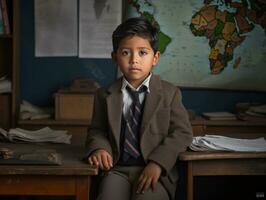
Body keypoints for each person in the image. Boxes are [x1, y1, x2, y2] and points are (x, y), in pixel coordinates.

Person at [86, 17, 193, 200]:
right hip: (116, 170)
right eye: (126, 52)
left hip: (154, 171)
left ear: (155, 58)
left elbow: (182, 133)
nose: (134, 60)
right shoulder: (104, 94)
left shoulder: (169, 93)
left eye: (142, 52)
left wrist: (158, 163)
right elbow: (97, 130)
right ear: (115, 57)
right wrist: (99, 148)